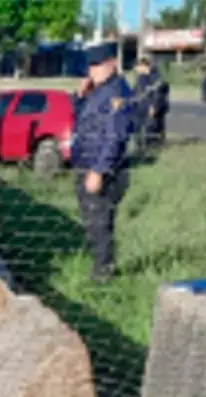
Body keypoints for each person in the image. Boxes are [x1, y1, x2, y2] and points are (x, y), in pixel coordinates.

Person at [71, 42, 134, 283]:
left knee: (100, 223)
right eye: (90, 66)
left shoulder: (116, 93)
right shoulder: (98, 91)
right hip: (87, 165)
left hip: (103, 170)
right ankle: (100, 266)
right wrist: (80, 97)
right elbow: (83, 122)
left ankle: (103, 273)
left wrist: (99, 170)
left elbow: (115, 136)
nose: (93, 71)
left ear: (112, 64)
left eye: (98, 65)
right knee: (91, 222)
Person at [132, 56, 170, 150]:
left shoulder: (156, 77)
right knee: (138, 128)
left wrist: (154, 106)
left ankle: (154, 146)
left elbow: (159, 94)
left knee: (153, 128)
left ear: (144, 66)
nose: (136, 69)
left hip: (153, 108)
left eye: (137, 66)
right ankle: (140, 146)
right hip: (141, 108)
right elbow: (136, 92)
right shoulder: (141, 77)